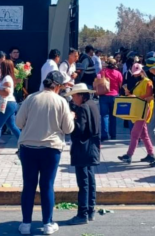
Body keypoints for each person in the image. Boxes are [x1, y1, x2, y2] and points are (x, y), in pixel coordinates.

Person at [16, 70, 75, 236]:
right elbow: (68, 128)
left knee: (28, 185)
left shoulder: (31, 98)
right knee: (47, 185)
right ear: (57, 86)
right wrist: (70, 116)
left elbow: (19, 122)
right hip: (51, 148)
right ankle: (48, 223)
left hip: (28, 147)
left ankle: (26, 224)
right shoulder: (61, 101)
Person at [66, 83, 101, 226]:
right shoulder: (93, 105)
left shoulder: (83, 108)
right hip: (92, 147)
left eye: (74, 96)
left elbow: (79, 129)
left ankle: (82, 213)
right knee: (90, 180)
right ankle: (91, 210)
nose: (73, 99)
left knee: (83, 182)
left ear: (81, 95)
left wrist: (72, 118)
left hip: (83, 148)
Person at [118, 63, 155, 164]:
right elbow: (138, 95)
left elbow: (149, 95)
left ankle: (129, 155)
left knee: (135, 133)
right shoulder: (139, 82)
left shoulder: (147, 82)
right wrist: (130, 94)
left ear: (142, 72)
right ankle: (151, 154)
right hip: (139, 109)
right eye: (134, 73)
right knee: (143, 134)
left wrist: (134, 97)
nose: (135, 75)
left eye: (137, 73)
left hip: (144, 109)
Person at [97, 57, 122, 141]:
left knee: (104, 116)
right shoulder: (118, 73)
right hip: (115, 96)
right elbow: (120, 84)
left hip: (104, 95)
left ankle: (104, 135)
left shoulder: (102, 72)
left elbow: (97, 79)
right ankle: (113, 134)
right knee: (113, 116)